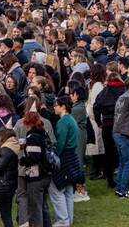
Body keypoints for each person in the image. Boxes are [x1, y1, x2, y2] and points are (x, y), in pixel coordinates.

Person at [50, 96, 83, 227]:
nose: (54, 107)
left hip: (64, 157)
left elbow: (60, 143)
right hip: (72, 157)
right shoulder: (72, 120)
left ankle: (63, 220)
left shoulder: (63, 122)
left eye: (56, 105)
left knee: (57, 189)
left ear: (63, 106)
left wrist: (53, 155)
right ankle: (69, 219)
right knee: (68, 190)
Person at [18, 109, 52, 227]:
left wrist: (22, 160)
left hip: (36, 177)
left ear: (28, 123)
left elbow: (34, 157)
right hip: (46, 174)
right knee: (43, 207)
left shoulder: (33, 137)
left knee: (35, 210)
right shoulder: (44, 133)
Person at [0, 127, 21, 227]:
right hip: (9, 184)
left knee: (5, 214)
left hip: (3, 185)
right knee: (6, 213)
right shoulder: (12, 146)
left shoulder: (6, 149)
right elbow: (4, 162)